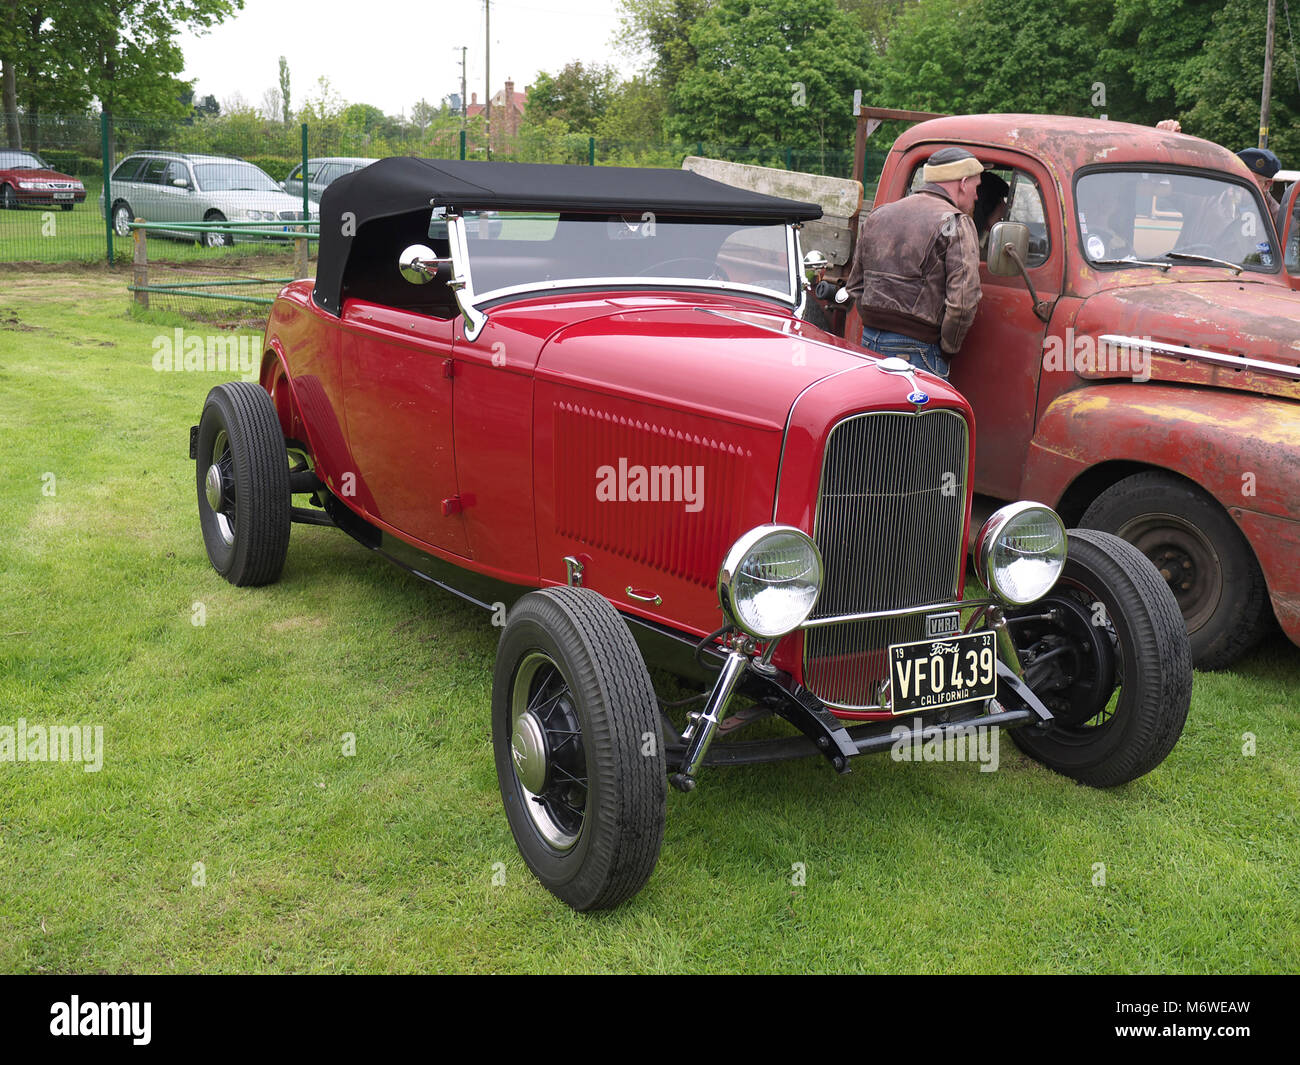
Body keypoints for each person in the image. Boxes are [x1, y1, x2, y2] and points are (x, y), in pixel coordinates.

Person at [845, 146, 983, 380]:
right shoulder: (956, 222)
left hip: (868, 341)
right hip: (919, 350)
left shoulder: (879, 215)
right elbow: (963, 301)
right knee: (917, 417)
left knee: (873, 416)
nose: (977, 196)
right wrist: (947, 349)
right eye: (976, 187)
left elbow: (856, 286)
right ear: (963, 182)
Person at [1237, 147, 1287, 237]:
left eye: (1249, 181)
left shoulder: (1280, 220)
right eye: (1237, 178)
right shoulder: (1213, 203)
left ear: (1267, 184)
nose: (1239, 187)